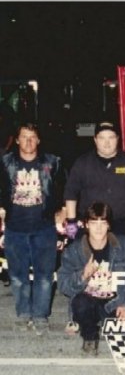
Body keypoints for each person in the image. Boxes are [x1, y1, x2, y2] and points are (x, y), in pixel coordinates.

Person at [57, 202, 125, 355]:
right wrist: (83, 275)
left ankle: (113, 325)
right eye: (93, 223)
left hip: (115, 303)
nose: (98, 228)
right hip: (88, 302)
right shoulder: (74, 250)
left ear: (109, 225)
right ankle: (89, 335)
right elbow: (63, 285)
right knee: (80, 303)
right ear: (86, 224)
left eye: (103, 223)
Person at [0, 122, 65, 335]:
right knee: (17, 276)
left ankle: (40, 315)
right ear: (17, 140)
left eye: (32, 137)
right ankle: (23, 314)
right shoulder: (5, 162)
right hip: (14, 229)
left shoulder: (52, 162)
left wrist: (62, 212)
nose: (28, 141)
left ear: (38, 140)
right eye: (24, 137)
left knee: (44, 276)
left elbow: (65, 191)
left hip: (44, 229)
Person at [64, 121, 125, 238]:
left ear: (118, 139)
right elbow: (71, 193)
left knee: (119, 256)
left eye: (111, 137)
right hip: (90, 225)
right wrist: (71, 220)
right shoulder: (82, 163)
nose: (107, 143)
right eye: (102, 138)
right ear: (95, 139)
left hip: (121, 224)